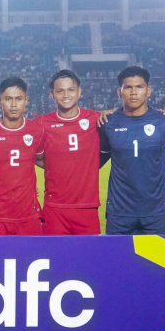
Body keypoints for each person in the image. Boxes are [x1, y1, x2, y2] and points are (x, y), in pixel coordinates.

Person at [99, 66, 165, 235]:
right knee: (118, 261)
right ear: (119, 92)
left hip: (156, 213)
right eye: (128, 87)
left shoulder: (164, 122)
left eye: (139, 87)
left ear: (148, 90)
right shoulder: (108, 122)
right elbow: (94, 163)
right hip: (119, 213)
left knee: (159, 261)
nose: (133, 92)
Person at [36, 70, 102, 235]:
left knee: (88, 259)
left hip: (87, 207)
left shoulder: (97, 119)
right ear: (52, 94)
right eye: (60, 91)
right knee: (56, 259)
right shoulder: (42, 123)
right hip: (55, 208)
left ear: (79, 91)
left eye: (71, 90)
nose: (66, 95)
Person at [0, 78, 44, 235]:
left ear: (26, 100)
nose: (14, 105)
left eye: (19, 99)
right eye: (8, 99)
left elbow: (43, 161)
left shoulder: (36, 130)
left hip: (29, 216)